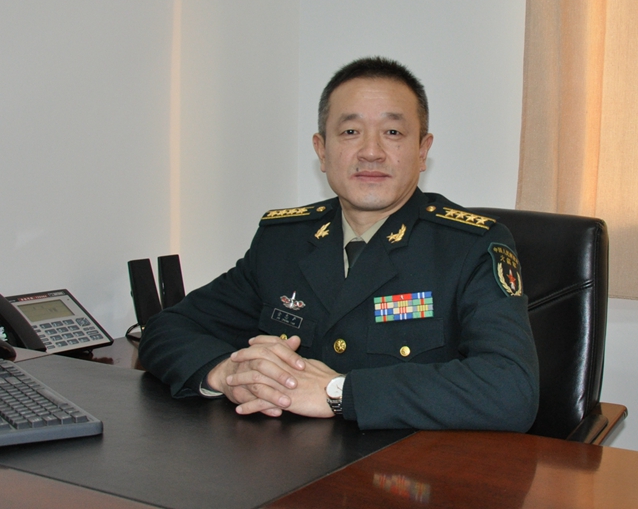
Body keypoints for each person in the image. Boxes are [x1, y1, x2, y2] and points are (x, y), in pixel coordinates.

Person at [138, 57, 539, 431]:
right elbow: (166, 328)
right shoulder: (284, 241)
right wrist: (227, 373)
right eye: (350, 132)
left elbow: (511, 388)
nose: (371, 152)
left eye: (393, 133)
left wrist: (339, 393)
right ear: (322, 150)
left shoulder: (469, 246)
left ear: (422, 151)